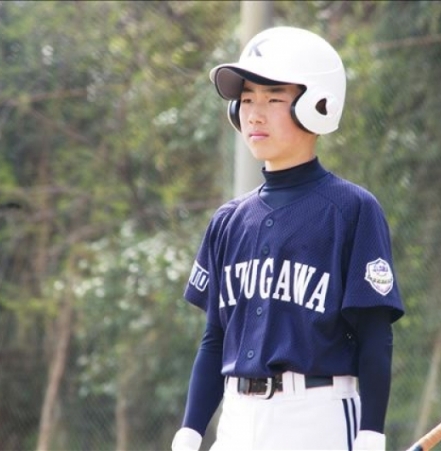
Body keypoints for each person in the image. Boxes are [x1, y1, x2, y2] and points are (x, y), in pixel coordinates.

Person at [172, 26, 404, 451]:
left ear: (318, 103)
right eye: (246, 100)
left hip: (317, 415)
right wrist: (189, 432)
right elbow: (215, 339)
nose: (254, 114)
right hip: (237, 418)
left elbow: (375, 334)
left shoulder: (352, 208)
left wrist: (371, 433)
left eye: (273, 98)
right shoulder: (228, 220)